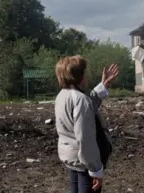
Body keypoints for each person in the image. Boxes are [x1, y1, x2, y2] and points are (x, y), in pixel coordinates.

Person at [54, 55, 120, 193]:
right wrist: (96, 170)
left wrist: (104, 85)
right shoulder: (80, 99)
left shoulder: (62, 95)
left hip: (73, 160)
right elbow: (86, 139)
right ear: (79, 76)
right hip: (84, 163)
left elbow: (86, 104)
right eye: (84, 72)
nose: (87, 76)